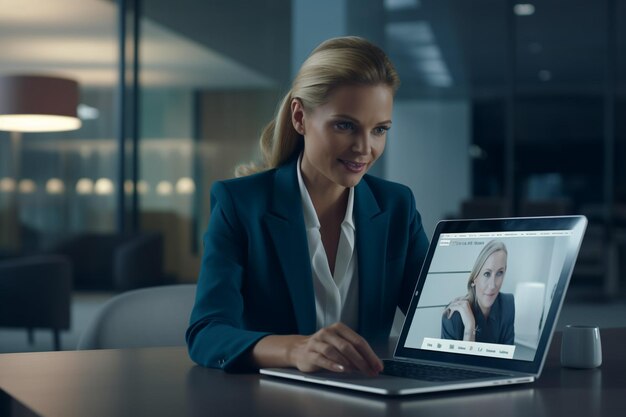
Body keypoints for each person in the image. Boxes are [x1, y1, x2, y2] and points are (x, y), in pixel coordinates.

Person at [186, 36, 429, 375]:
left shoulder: (396, 206)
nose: (364, 147)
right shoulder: (240, 204)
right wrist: (295, 348)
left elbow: (434, 316)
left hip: (369, 398)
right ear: (300, 117)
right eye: (345, 125)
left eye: (379, 130)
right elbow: (207, 333)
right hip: (269, 401)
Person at [441, 240, 515, 345]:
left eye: (499, 273)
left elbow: (507, 357)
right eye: (487, 274)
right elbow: (456, 362)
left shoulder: (508, 304)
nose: (493, 285)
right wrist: (470, 327)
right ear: (474, 279)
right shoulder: (453, 317)